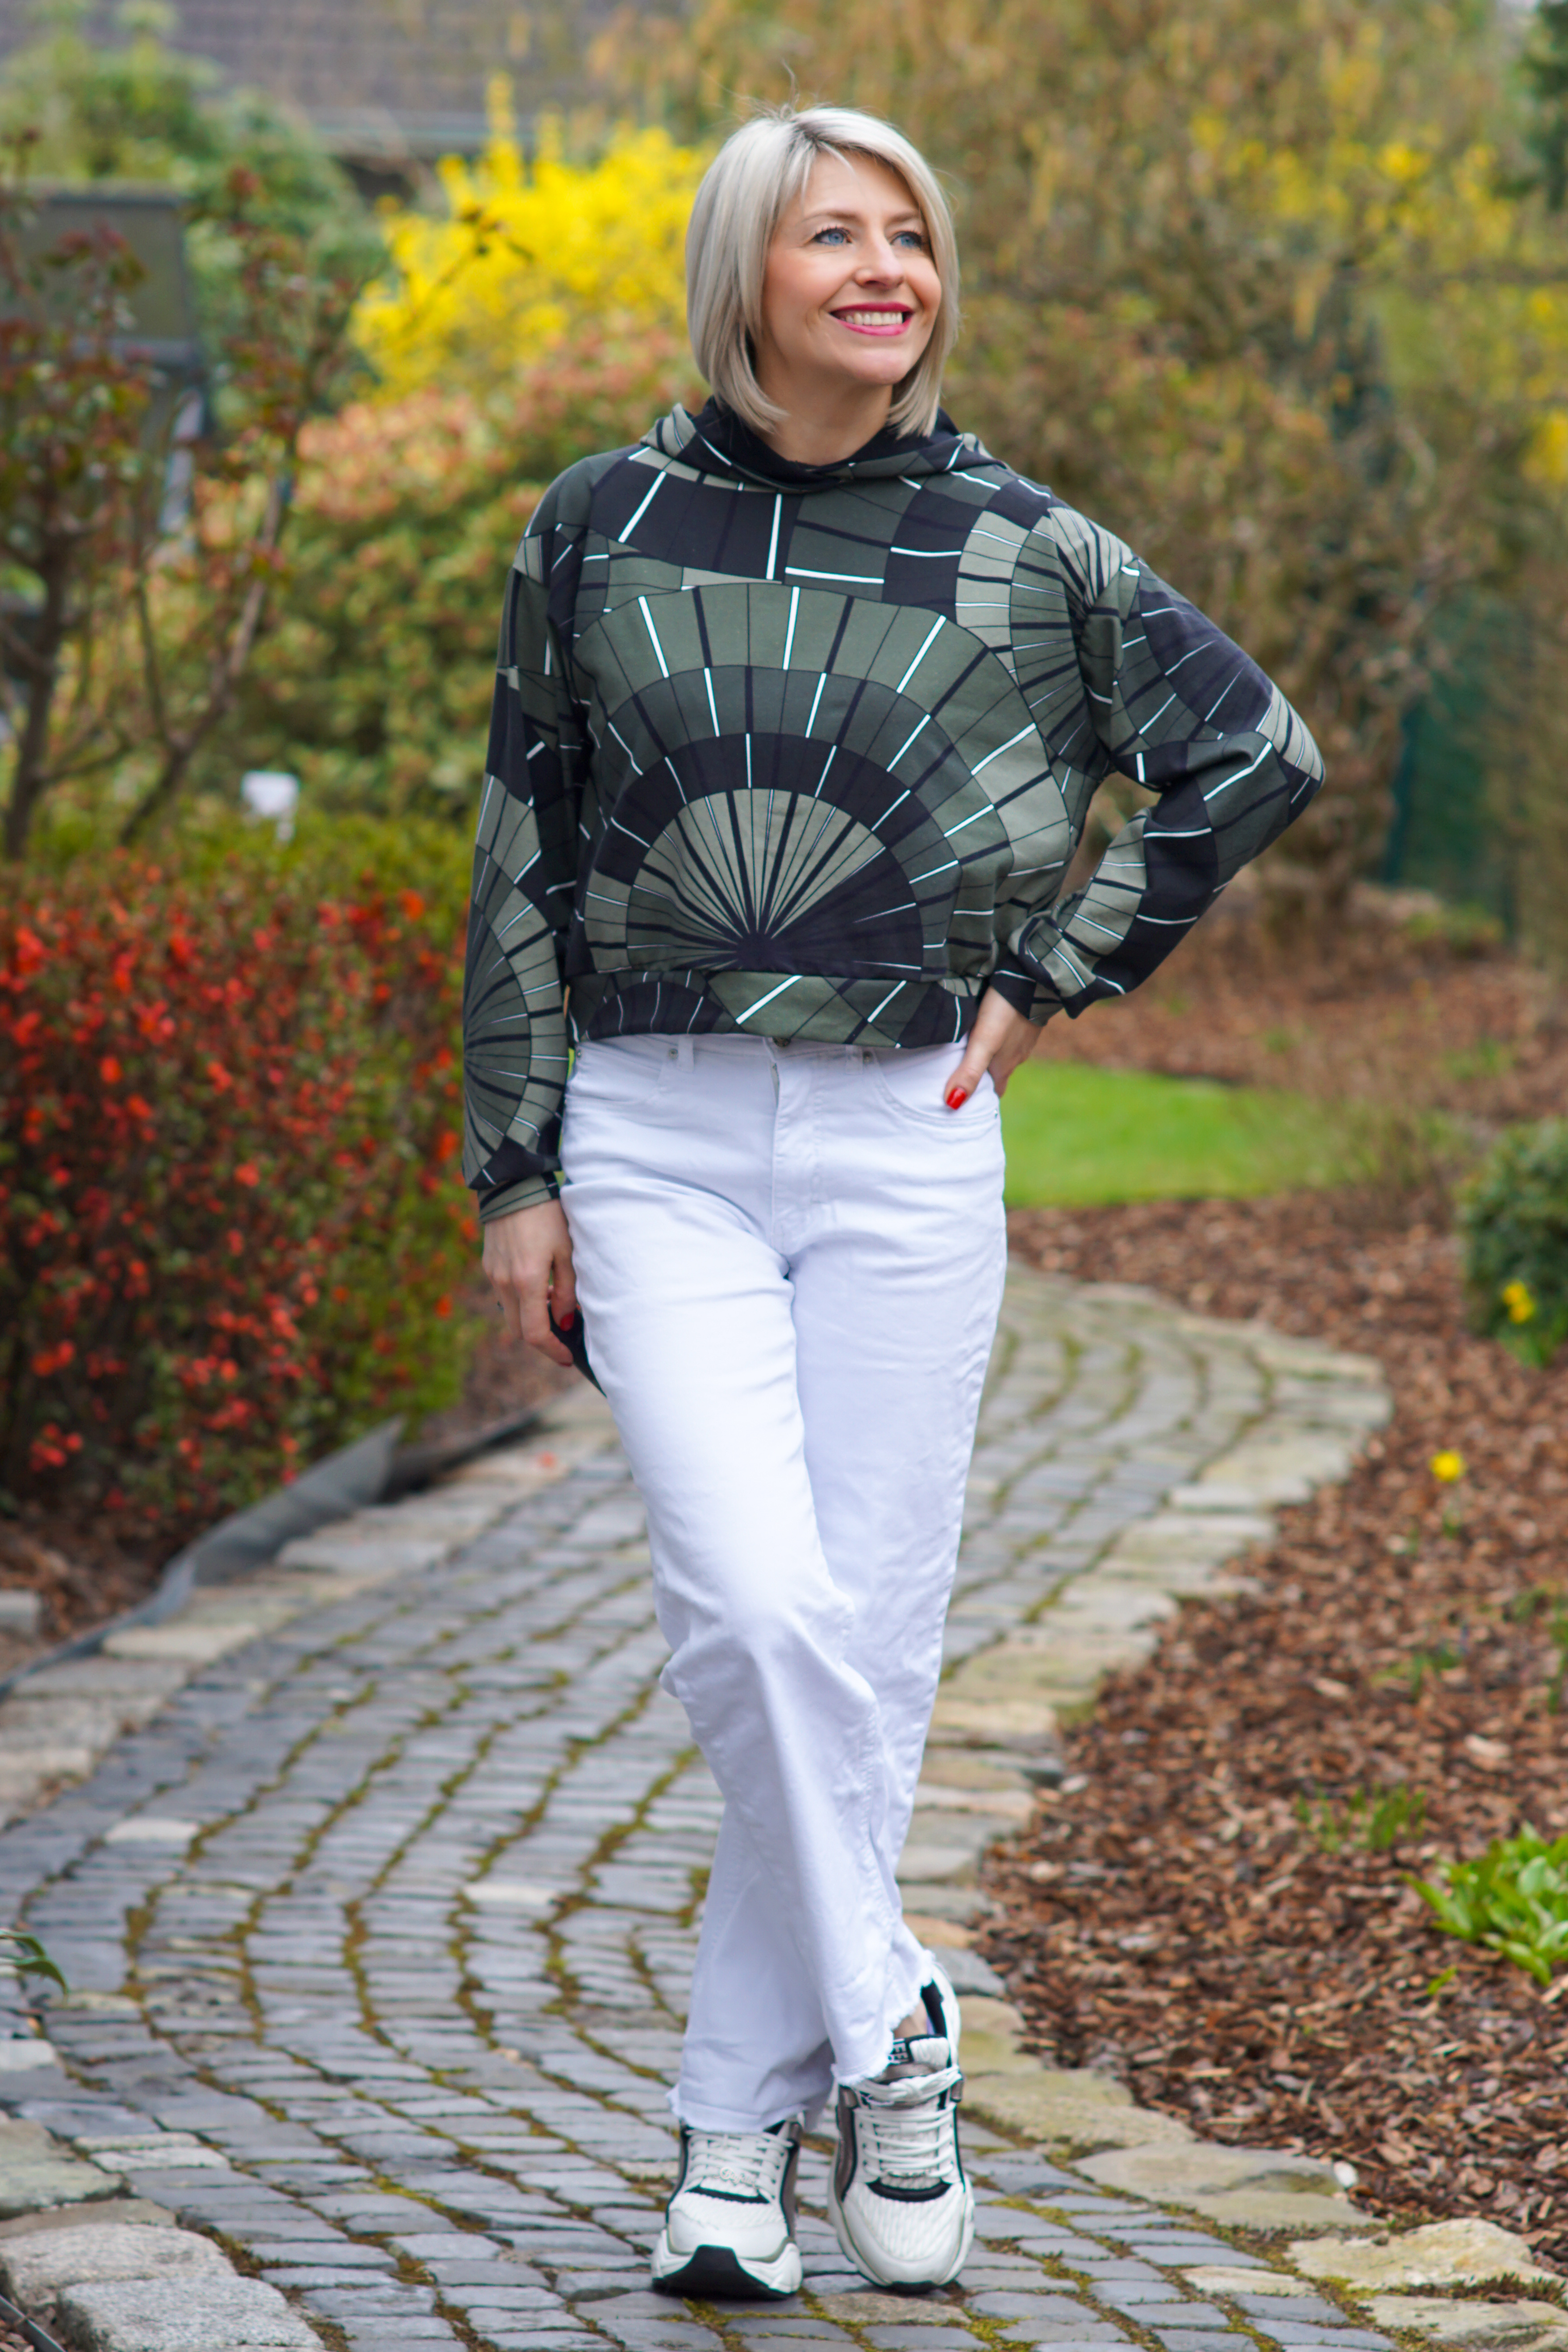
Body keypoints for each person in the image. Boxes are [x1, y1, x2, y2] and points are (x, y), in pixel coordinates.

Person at [463, 104, 1323, 2302]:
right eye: (829, 233)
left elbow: (1250, 751)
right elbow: (522, 849)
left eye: (908, 236)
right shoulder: (597, 524)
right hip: (652, 1128)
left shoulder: (1018, 546)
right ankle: (896, 2021)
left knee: (861, 1640)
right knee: (752, 1612)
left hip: (904, 1133)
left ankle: (725, 2153)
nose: (882, 268)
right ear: (741, 274)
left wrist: (1060, 970)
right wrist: (514, 1168)